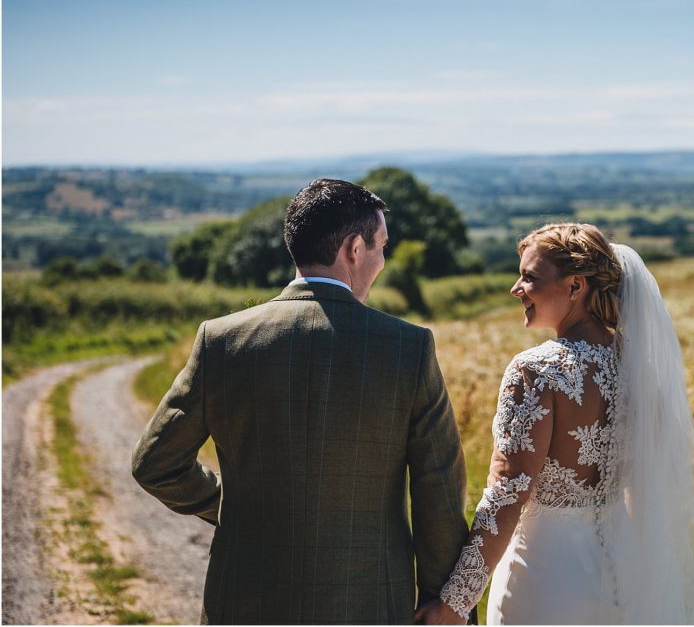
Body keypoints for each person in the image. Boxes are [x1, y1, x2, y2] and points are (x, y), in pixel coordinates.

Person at [132, 178, 472, 624]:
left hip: (246, 600)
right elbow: (439, 494)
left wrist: (233, 506)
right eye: (381, 247)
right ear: (353, 249)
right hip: (369, 602)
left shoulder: (222, 341)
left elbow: (155, 462)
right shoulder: (407, 349)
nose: (383, 261)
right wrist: (446, 602)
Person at [417, 223, 694, 625]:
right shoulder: (639, 366)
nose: (516, 288)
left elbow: (508, 493)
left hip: (544, 579)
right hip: (621, 575)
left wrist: (456, 601)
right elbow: (645, 488)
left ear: (575, 286)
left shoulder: (535, 371)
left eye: (530, 277)